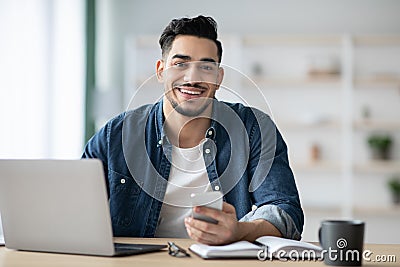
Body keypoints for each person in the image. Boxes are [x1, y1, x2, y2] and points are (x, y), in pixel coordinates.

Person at [82, 15, 303, 245]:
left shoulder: (254, 128)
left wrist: (239, 230)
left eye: (206, 67)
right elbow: (76, 209)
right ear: (160, 71)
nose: (192, 78)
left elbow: (286, 211)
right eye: (180, 64)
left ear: (218, 78)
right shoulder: (115, 135)